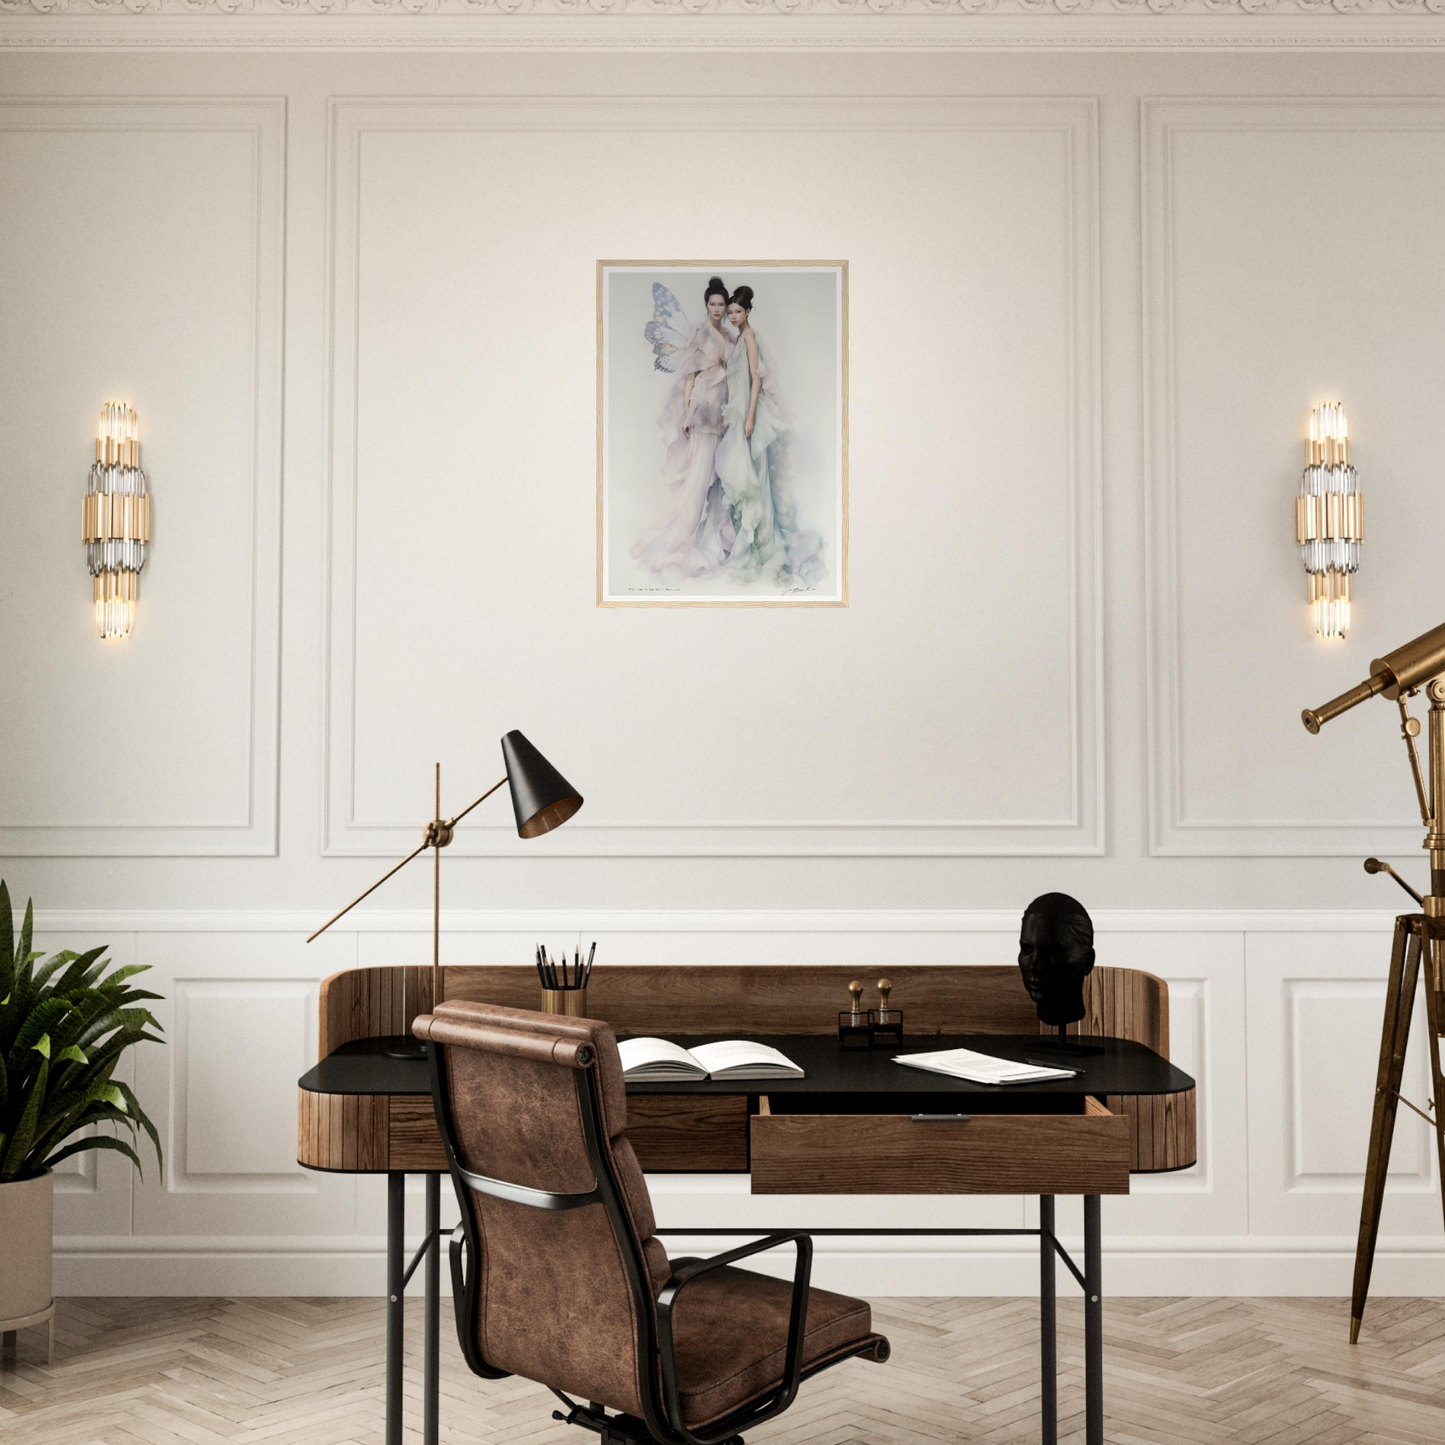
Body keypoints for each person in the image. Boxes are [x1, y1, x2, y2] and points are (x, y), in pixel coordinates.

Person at [714, 285, 824, 589]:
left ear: (749, 311)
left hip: (748, 416)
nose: (733, 316)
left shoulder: (750, 337)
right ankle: (748, 541)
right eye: (730, 312)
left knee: (755, 478)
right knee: (743, 474)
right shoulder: (739, 339)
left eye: (738, 311)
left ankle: (761, 546)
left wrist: (749, 417)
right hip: (738, 414)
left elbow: (756, 379)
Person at [630, 277, 736, 579]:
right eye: (712, 304)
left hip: (724, 413)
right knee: (698, 481)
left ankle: (713, 541)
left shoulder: (728, 335)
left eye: (721, 304)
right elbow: (690, 377)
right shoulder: (701, 333)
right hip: (704, 413)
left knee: (720, 480)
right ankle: (679, 536)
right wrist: (687, 415)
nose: (717, 309)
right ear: (706, 305)